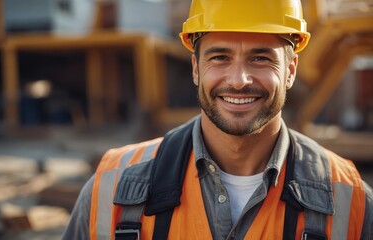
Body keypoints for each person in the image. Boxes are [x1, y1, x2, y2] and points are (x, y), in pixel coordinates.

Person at [62, 0, 373, 239]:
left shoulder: (350, 198)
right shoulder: (112, 188)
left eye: (260, 57)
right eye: (220, 57)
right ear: (196, 68)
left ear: (290, 70)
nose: (238, 80)